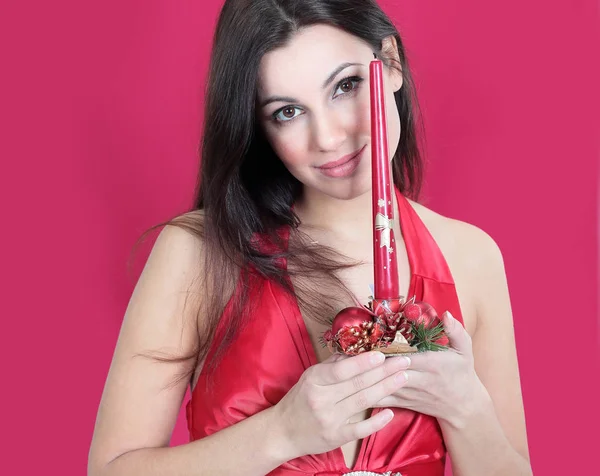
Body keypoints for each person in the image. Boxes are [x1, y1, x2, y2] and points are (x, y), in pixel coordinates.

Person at [88, 1, 533, 475]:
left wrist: (466, 409)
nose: (329, 137)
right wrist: (280, 432)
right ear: (259, 127)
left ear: (391, 63)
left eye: (346, 86)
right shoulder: (197, 255)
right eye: (288, 111)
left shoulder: (471, 257)